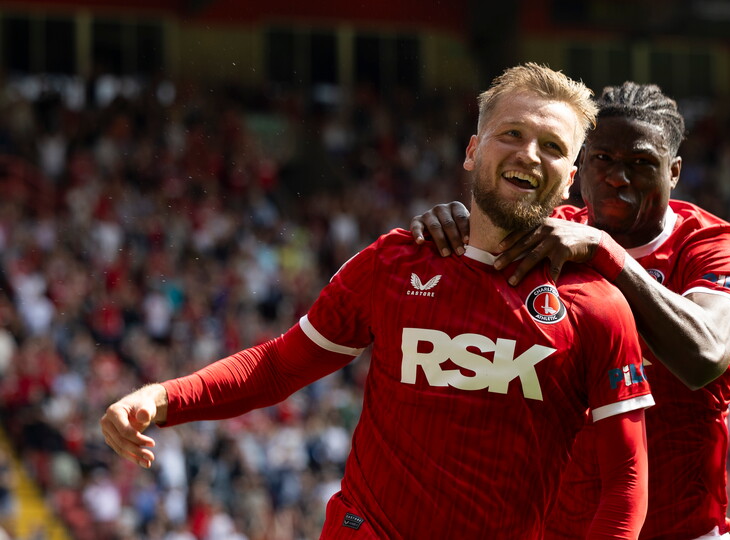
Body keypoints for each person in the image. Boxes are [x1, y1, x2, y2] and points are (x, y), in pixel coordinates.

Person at [100, 63, 655, 540]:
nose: (529, 154)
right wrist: (161, 397)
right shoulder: (394, 263)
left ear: (570, 181)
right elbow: (277, 367)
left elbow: (625, 481)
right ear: (472, 150)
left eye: (553, 147)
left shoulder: (596, 306)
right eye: (511, 133)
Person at [411, 81, 730, 540]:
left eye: (641, 163)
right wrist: (454, 226)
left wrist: (605, 252)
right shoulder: (552, 232)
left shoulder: (712, 245)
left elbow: (705, 355)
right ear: (579, 166)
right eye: (603, 160)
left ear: (673, 172)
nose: (619, 177)